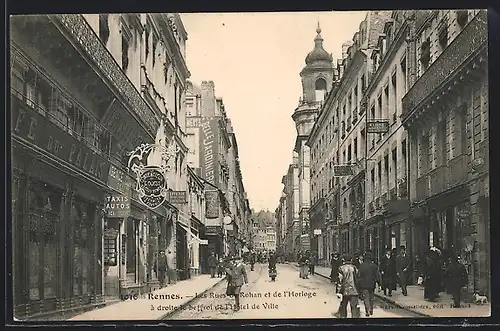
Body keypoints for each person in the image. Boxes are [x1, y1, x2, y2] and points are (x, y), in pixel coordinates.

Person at [335, 254, 360, 318]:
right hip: (354, 290)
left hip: (344, 291)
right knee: (354, 307)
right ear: (351, 260)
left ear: (344, 260)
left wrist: (338, 291)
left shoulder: (341, 268)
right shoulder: (354, 268)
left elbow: (340, 280)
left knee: (343, 307)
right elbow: (358, 279)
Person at [358, 251, 379, 317]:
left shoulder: (362, 266)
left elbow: (359, 275)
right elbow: (378, 275)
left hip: (364, 285)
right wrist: (379, 284)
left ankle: (367, 310)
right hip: (372, 284)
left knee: (366, 298)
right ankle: (371, 310)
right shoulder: (374, 266)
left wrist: (358, 285)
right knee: (371, 298)